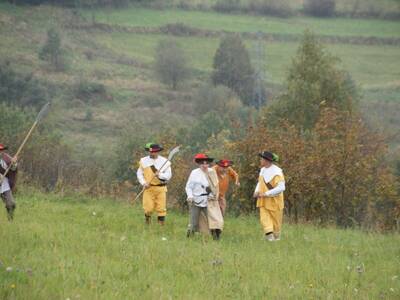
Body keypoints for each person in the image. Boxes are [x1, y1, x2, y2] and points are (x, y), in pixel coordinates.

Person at [185, 153, 223, 240]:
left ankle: (216, 237)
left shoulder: (212, 172)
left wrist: (213, 195)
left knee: (214, 219)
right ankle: (189, 237)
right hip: (196, 200)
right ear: (199, 164)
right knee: (193, 221)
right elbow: (188, 187)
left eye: (206, 163)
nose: (205, 165)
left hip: (209, 200)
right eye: (203, 163)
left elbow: (215, 186)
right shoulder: (194, 173)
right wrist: (190, 196)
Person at [136, 143, 172, 225]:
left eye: (155, 152)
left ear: (158, 151)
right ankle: (147, 224)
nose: (153, 153)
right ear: (149, 152)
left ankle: (161, 226)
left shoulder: (165, 162)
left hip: (161, 188)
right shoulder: (143, 161)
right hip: (148, 188)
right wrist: (144, 183)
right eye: (151, 152)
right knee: (148, 208)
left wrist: (160, 175)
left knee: (161, 208)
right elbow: (139, 174)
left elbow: (168, 176)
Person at [253, 151, 285, 241]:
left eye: (262, 159)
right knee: (264, 218)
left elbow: (281, 188)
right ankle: (269, 236)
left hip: (275, 201)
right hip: (263, 200)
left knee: (276, 223)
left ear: (266, 161)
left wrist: (266, 193)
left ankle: (275, 237)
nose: (260, 160)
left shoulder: (277, 173)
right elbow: (260, 182)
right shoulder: (263, 170)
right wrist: (256, 191)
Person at [0, 144, 18, 221]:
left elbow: (13, 169)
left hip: (3, 184)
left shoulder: (6, 158)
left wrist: (13, 163)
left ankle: (10, 220)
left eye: (1, 150)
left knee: (11, 204)